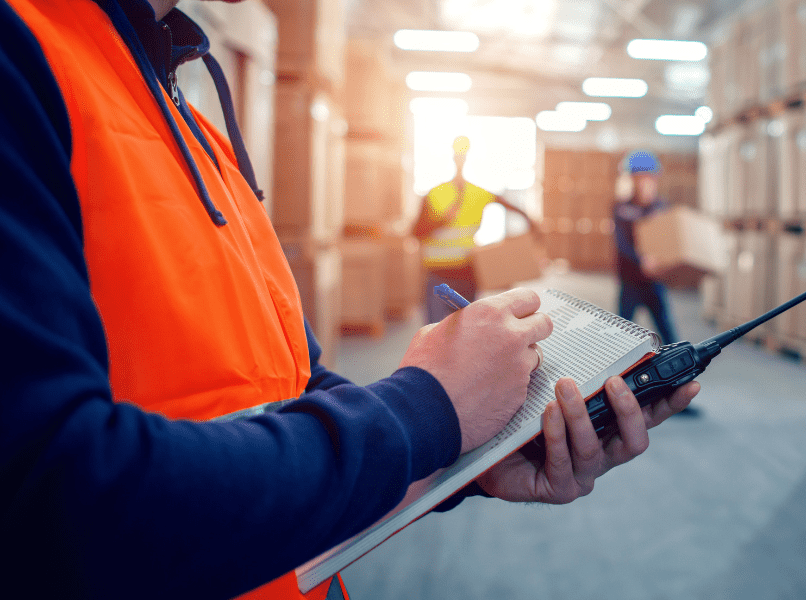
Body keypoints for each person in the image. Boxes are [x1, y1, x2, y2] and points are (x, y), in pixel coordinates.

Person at [0, 2, 699, 600]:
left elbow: (286, 392)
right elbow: (52, 504)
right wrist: (427, 409)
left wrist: (466, 453)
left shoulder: (194, 129)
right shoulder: (23, 58)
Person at [411, 135, 539, 324]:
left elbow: (515, 209)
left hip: (465, 274)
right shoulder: (435, 194)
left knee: (464, 330)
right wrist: (443, 220)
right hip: (440, 276)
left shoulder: (477, 193)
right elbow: (416, 232)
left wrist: (534, 230)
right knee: (439, 332)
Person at [612, 150, 679, 345]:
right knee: (621, 329)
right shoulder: (621, 208)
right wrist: (641, 260)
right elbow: (622, 243)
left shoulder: (661, 206)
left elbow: (667, 241)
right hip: (629, 279)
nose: (645, 182)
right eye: (640, 177)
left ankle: (678, 367)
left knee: (665, 327)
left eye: (649, 177)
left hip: (653, 280)